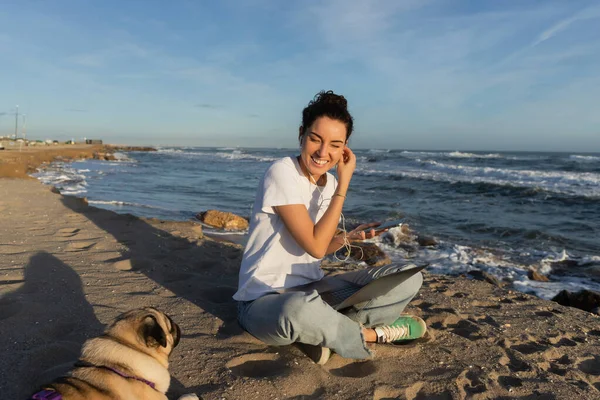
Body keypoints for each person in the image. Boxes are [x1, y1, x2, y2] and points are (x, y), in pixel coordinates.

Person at [233, 90, 425, 364]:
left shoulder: (329, 184)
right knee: (296, 312)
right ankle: (371, 335)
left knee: (409, 275)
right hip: (263, 300)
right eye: (315, 139)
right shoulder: (282, 172)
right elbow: (314, 244)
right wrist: (344, 184)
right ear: (301, 133)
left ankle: (321, 333)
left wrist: (347, 238)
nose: (324, 153)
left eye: (335, 144)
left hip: (315, 290)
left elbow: (318, 250)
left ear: (345, 146)